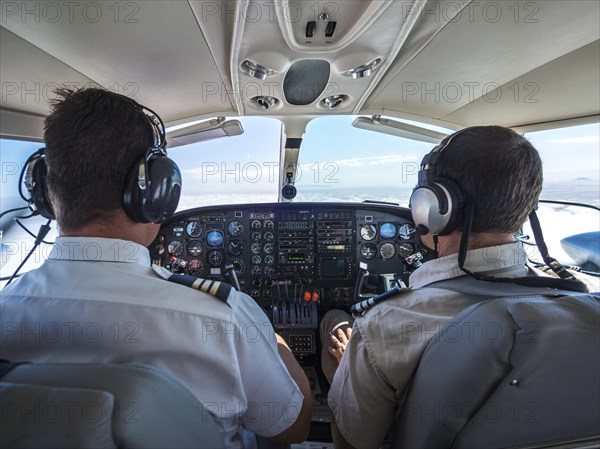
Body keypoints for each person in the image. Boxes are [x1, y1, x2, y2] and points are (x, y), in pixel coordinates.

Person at [0, 87, 311, 448]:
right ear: (155, 192)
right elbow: (292, 427)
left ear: (44, 193)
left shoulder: (6, 310)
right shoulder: (225, 318)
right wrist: (273, 341)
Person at [322, 125, 552, 449]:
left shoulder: (384, 326)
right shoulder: (582, 309)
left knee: (334, 321)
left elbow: (351, 445)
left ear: (433, 206)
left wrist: (352, 368)